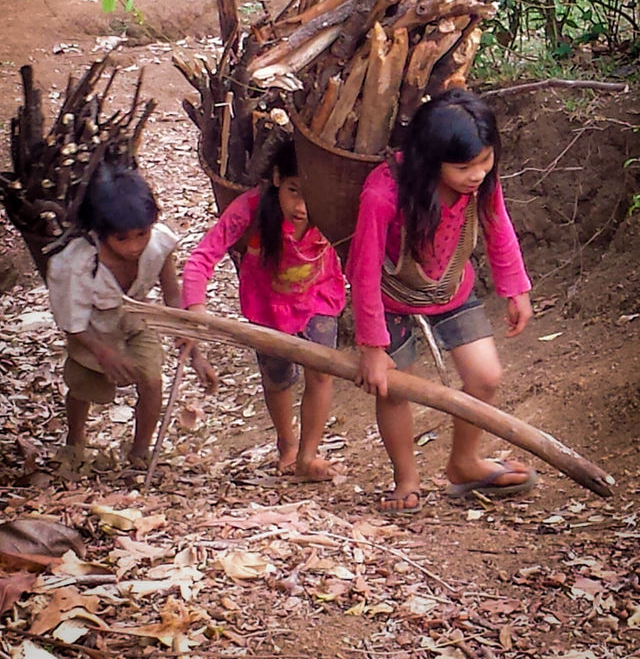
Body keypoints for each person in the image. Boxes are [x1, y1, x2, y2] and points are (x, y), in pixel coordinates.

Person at [347, 88, 536, 513]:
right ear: (431, 161)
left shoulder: (481, 185)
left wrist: (515, 287)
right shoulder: (384, 194)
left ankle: (464, 462)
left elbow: (497, 226)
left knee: (486, 377)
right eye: (465, 166)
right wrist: (372, 347)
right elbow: (363, 269)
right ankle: (406, 477)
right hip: (390, 295)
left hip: (451, 286)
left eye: (485, 161)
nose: (478, 175)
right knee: (394, 389)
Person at [182, 139, 346, 481]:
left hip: (319, 296)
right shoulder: (251, 208)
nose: (301, 207)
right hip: (267, 307)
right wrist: (195, 309)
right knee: (277, 380)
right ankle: (287, 445)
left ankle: (308, 455)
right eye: (293, 191)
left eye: (310, 195)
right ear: (276, 179)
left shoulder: (333, 211)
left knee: (321, 373)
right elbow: (202, 257)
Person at [47, 163, 217, 467]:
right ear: (100, 232)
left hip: (136, 318)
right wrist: (104, 353)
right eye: (122, 239)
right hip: (91, 329)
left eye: (142, 234)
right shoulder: (76, 263)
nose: (135, 246)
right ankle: (74, 442)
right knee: (82, 387)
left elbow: (172, 296)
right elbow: (72, 323)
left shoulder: (159, 245)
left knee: (152, 380)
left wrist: (196, 354)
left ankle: (140, 450)